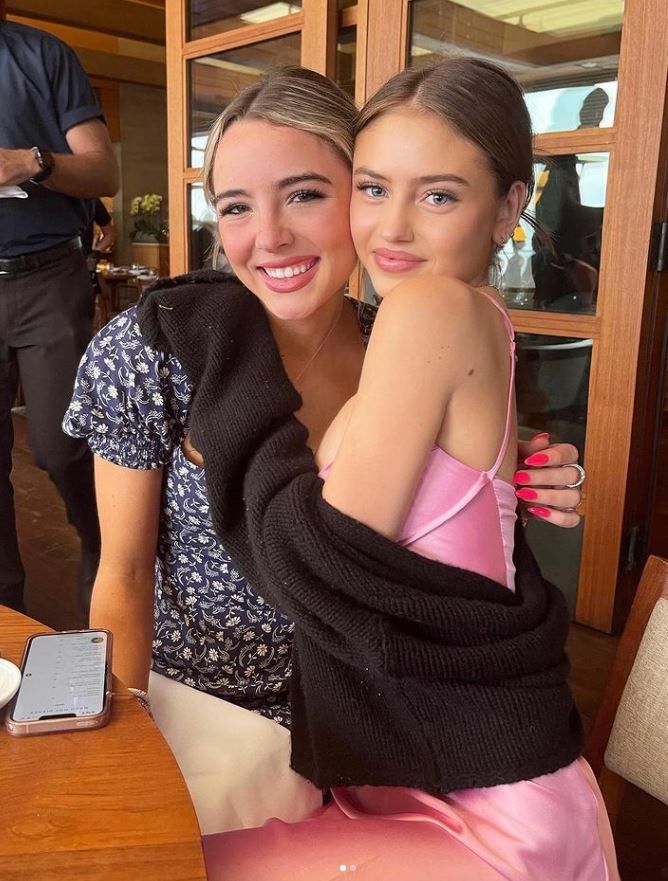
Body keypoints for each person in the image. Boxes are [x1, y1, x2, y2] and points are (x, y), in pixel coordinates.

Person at [136, 60, 615, 879]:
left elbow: (316, 562)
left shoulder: (426, 309)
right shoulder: (435, 321)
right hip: (422, 769)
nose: (392, 229)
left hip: (481, 811)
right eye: (373, 188)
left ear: (508, 208)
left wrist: (234, 374)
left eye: (438, 196)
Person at [64, 67, 582, 733]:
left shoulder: (403, 347)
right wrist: (124, 745)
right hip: (200, 710)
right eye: (236, 207)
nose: (269, 237)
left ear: (355, 194)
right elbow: (125, 573)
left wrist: (507, 487)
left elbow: (439, 537)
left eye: (305, 195)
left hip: (373, 716)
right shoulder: (153, 351)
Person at [0, 7, 119, 616]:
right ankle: (6, 617)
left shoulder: (41, 54)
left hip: (47, 277)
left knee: (59, 442)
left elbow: (105, 171)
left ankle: (110, 552)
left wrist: (31, 162)